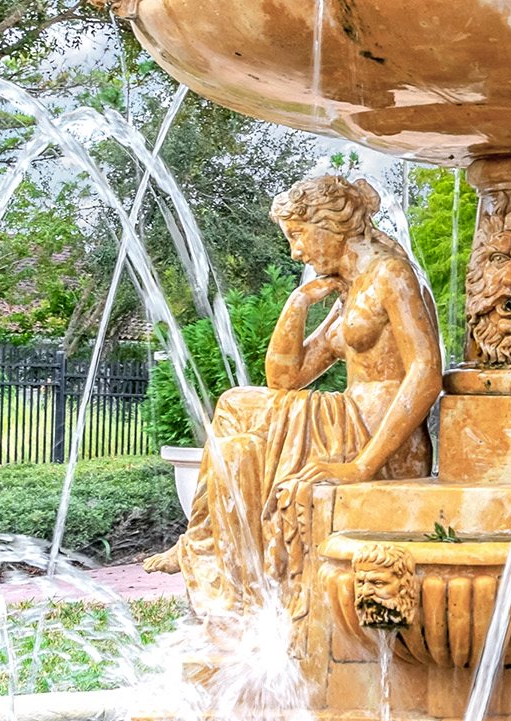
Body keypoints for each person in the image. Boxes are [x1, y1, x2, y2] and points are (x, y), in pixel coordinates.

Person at [148, 172, 443, 615]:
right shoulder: (349, 291)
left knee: (232, 405)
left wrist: (362, 467)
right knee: (237, 449)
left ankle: (199, 541)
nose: (296, 251)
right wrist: (298, 304)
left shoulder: (391, 274)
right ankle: (218, 566)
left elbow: (427, 372)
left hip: (376, 437)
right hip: (347, 422)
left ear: (329, 226)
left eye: (298, 237)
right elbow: (286, 377)